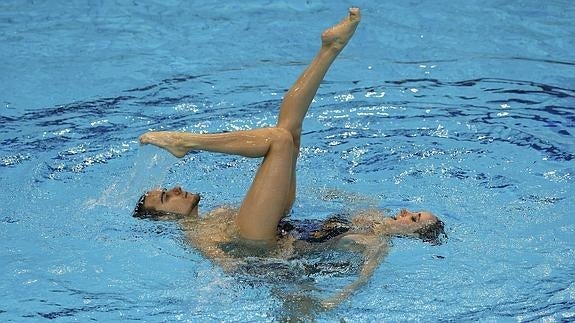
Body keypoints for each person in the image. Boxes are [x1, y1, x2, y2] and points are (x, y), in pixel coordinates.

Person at [133, 8, 445, 308]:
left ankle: (330, 49)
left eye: (166, 190)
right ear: (166, 219)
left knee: (289, 132)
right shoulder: (193, 234)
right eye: (164, 198)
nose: (173, 189)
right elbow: (229, 266)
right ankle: (185, 142)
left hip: (275, 229)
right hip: (257, 242)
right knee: (280, 140)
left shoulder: (209, 219)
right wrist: (288, 282)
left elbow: (356, 276)